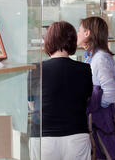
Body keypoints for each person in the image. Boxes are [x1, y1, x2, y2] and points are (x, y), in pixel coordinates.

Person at [30, 21, 93, 160]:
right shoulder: (85, 69)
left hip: (43, 137)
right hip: (77, 135)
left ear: (48, 41)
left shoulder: (35, 69)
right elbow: (87, 99)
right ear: (72, 41)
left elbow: (32, 104)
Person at [77, 16, 115, 159]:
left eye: (79, 30)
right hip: (101, 122)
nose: (77, 34)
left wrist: (95, 105)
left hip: (104, 123)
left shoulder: (100, 59)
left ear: (88, 33)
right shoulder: (94, 56)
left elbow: (111, 94)